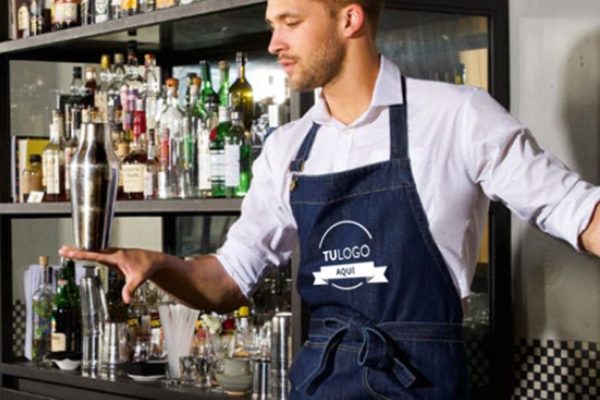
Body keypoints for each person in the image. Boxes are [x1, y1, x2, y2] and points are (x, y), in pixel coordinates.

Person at [60, 0, 600, 398]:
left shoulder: (457, 116)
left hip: (422, 384)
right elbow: (226, 281)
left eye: (290, 23)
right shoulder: (287, 149)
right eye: (273, 25)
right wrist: (158, 264)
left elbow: (576, 211)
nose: (273, 43)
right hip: (322, 383)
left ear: (349, 19)